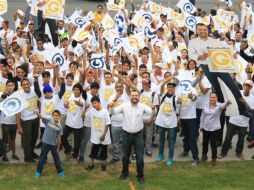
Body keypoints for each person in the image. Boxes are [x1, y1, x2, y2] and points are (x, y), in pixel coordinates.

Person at [109, 90, 153, 185]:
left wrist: (153, 108)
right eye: (132, 95)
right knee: (125, 157)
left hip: (138, 135)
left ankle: (140, 176)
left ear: (139, 97)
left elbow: (152, 112)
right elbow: (113, 112)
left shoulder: (142, 106)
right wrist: (112, 103)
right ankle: (124, 173)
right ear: (130, 96)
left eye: (136, 95)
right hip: (126, 135)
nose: (134, 97)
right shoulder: (124, 105)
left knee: (140, 158)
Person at [219, 80, 254, 160]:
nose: (247, 87)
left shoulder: (252, 98)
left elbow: (250, 111)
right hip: (233, 120)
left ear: (251, 88)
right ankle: (223, 152)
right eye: (246, 85)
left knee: (241, 140)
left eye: (249, 86)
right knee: (228, 138)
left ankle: (239, 153)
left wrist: (244, 102)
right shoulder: (237, 93)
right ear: (243, 85)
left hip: (244, 123)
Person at [200, 92, 231, 165]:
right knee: (205, 143)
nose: (212, 99)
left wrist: (227, 102)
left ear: (217, 98)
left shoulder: (219, 105)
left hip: (214, 128)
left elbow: (224, 106)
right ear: (209, 98)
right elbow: (202, 116)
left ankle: (214, 158)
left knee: (213, 144)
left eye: (214, 97)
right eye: (211, 97)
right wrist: (201, 126)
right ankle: (204, 156)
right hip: (206, 127)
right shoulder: (206, 104)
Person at [155, 77, 179, 166]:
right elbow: (161, 85)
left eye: (172, 87)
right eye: (169, 87)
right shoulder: (163, 95)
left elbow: (178, 102)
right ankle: (161, 154)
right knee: (161, 140)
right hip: (161, 122)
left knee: (171, 142)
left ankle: (170, 157)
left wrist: (179, 101)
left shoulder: (176, 98)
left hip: (171, 124)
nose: (170, 89)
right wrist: (170, 78)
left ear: (174, 89)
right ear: (167, 88)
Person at [34, 110, 64, 177]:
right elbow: (42, 117)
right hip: (45, 143)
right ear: (52, 116)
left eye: (57, 115)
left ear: (59, 116)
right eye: (54, 115)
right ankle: (38, 171)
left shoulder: (59, 126)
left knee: (56, 158)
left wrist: (58, 147)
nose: (55, 117)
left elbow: (59, 138)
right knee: (42, 158)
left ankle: (60, 171)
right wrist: (37, 113)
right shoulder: (48, 121)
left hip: (53, 144)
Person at [84, 96, 111, 172]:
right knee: (93, 152)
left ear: (99, 102)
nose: (94, 105)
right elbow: (82, 116)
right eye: (92, 103)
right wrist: (85, 109)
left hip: (103, 137)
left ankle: (103, 166)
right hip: (95, 136)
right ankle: (91, 165)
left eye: (95, 103)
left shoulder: (105, 112)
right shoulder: (92, 111)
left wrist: (103, 135)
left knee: (103, 152)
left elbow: (107, 124)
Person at [0, 79, 20, 162]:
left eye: (12, 85)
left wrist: (18, 124)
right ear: (6, 87)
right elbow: (1, 100)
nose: (10, 87)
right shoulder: (2, 94)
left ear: (14, 86)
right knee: (4, 139)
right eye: (9, 85)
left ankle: (13, 154)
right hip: (5, 121)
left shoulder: (17, 95)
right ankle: (4, 155)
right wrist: (4, 95)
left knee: (13, 139)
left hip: (14, 121)